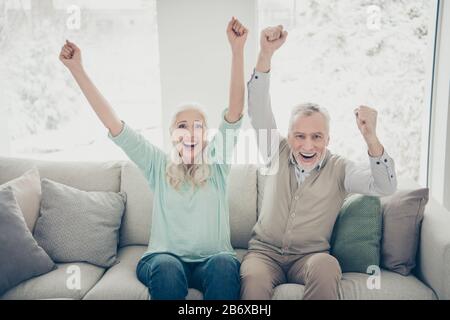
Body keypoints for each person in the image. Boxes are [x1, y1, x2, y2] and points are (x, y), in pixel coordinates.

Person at [59, 17, 248, 300]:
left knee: (224, 264)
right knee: (168, 267)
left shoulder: (217, 163)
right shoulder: (157, 164)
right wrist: (77, 70)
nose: (190, 132)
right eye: (182, 126)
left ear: (206, 137)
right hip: (163, 260)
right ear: (172, 134)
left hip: (213, 260)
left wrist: (237, 50)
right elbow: (114, 124)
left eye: (198, 126)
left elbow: (234, 111)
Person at [240, 25, 398, 300]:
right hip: (264, 255)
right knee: (252, 278)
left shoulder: (341, 168)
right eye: (299, 136)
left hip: (310, 258)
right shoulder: (274, 150)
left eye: (316, 136)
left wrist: (371, 138)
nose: (308, 145)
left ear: (328, 138)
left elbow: (385, 187)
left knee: (327, 265)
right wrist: (265, 53)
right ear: (289, 136)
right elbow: (257, 108)